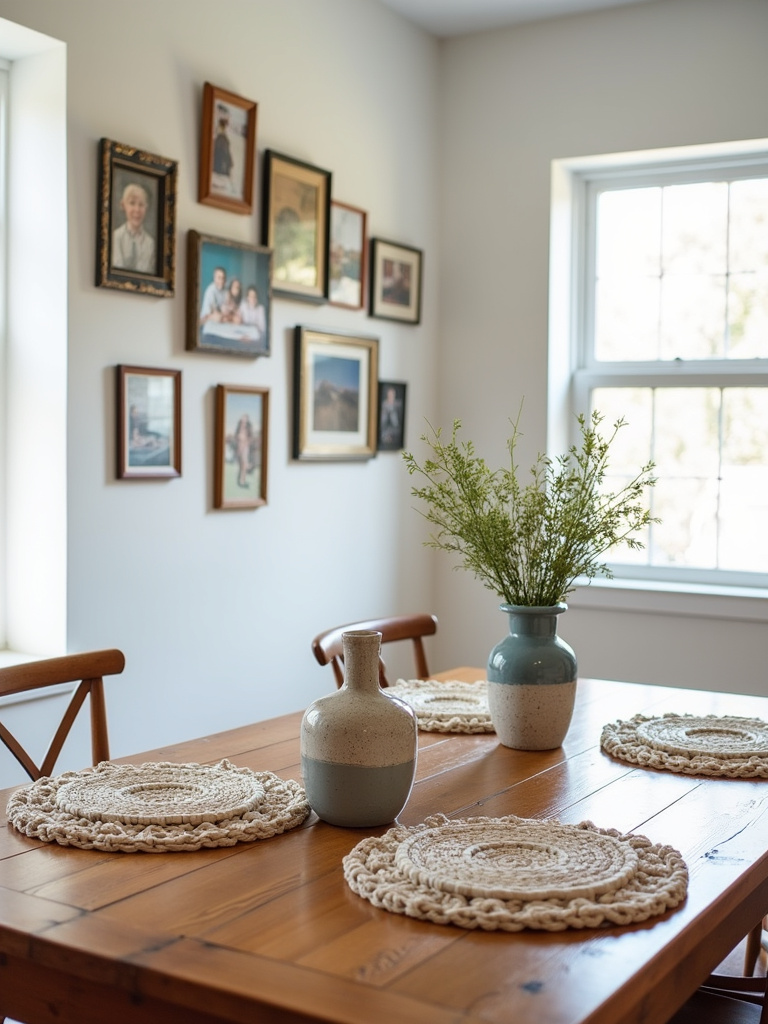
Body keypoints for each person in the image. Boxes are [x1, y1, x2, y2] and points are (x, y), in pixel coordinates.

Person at [112, 182, 155, 274]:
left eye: (141, 205)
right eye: (132, 203)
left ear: (146, 208)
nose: (137, 210)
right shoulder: (116, 237)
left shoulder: (150, 243)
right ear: (123, 206)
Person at [233, 413, 254, 487]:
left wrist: (246, 442)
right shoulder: (239, 427)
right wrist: (238, 438)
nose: (243, 420)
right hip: (239, 446)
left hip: (245, 447)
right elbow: (236, 436)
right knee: (241, 464)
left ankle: (242, 480)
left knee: (244, 463)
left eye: (245, 419)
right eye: (243, 419)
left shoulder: (248, 428)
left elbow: (250, 438)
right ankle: (248, 468)